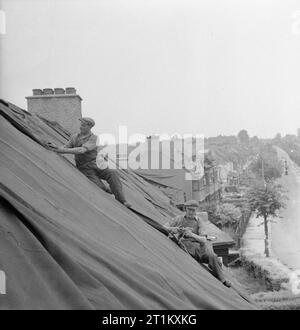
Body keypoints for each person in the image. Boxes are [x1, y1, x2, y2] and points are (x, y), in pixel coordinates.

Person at [48, 117, 131, 208]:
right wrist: (56, 147)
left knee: (113, 173)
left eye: (83, 125)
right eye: (81, 125)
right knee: (99, 188)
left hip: (96, 164)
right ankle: (107, 189)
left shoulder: (94, 138)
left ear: (89, 127)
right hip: (84, 168)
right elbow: (65, 147)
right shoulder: (74, 137)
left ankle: (122, 200)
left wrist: (61, 150)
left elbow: (81, 150)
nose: (80, 127)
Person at [164, 200, 231, 287]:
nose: (191, 212)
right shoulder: (179, 219)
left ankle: (222, 279)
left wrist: (191, 235)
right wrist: (174, 229)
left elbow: (203, 239)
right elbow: (164, 226)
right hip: (184, 245)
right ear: (185, 209)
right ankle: (221, 276)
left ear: (196, 210)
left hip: (198, 247)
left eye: (193, 210)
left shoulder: (199, 221)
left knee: (214, 258)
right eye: (189, 209)